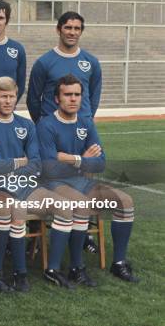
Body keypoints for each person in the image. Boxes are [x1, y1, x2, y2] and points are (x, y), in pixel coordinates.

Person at [0, 77, 77, 291]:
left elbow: (36, 165)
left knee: (65, 207)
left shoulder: (26, 125)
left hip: (25, 185)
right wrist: (18, 161)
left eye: (12, 96)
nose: (9, 101)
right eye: (4, 97)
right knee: (11, 211)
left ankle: (52, 270)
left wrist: (5, 163)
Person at [37, 74, 138, 285]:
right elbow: (50, 166)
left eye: (77, 94)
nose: (73, 99)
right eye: (67, 95)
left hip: (84, 182)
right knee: (81, 205)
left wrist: (67, 158)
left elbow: (100, 162)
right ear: (57, 99)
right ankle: (75, 267)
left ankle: (118, 263)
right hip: (55, 184)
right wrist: (82, 159)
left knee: (125, 201)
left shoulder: (86, 123)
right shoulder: (46, 125)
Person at [27, 11, 102, 123]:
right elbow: (33, 99)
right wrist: (43, 123)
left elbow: (94, 96)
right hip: (52, 127)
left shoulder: (92, 62)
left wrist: (87, 119)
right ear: (58, 30)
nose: (72, 32)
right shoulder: (43, 62)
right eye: (68, 28)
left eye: (77, 28)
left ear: (81, 32)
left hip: (82, 126)